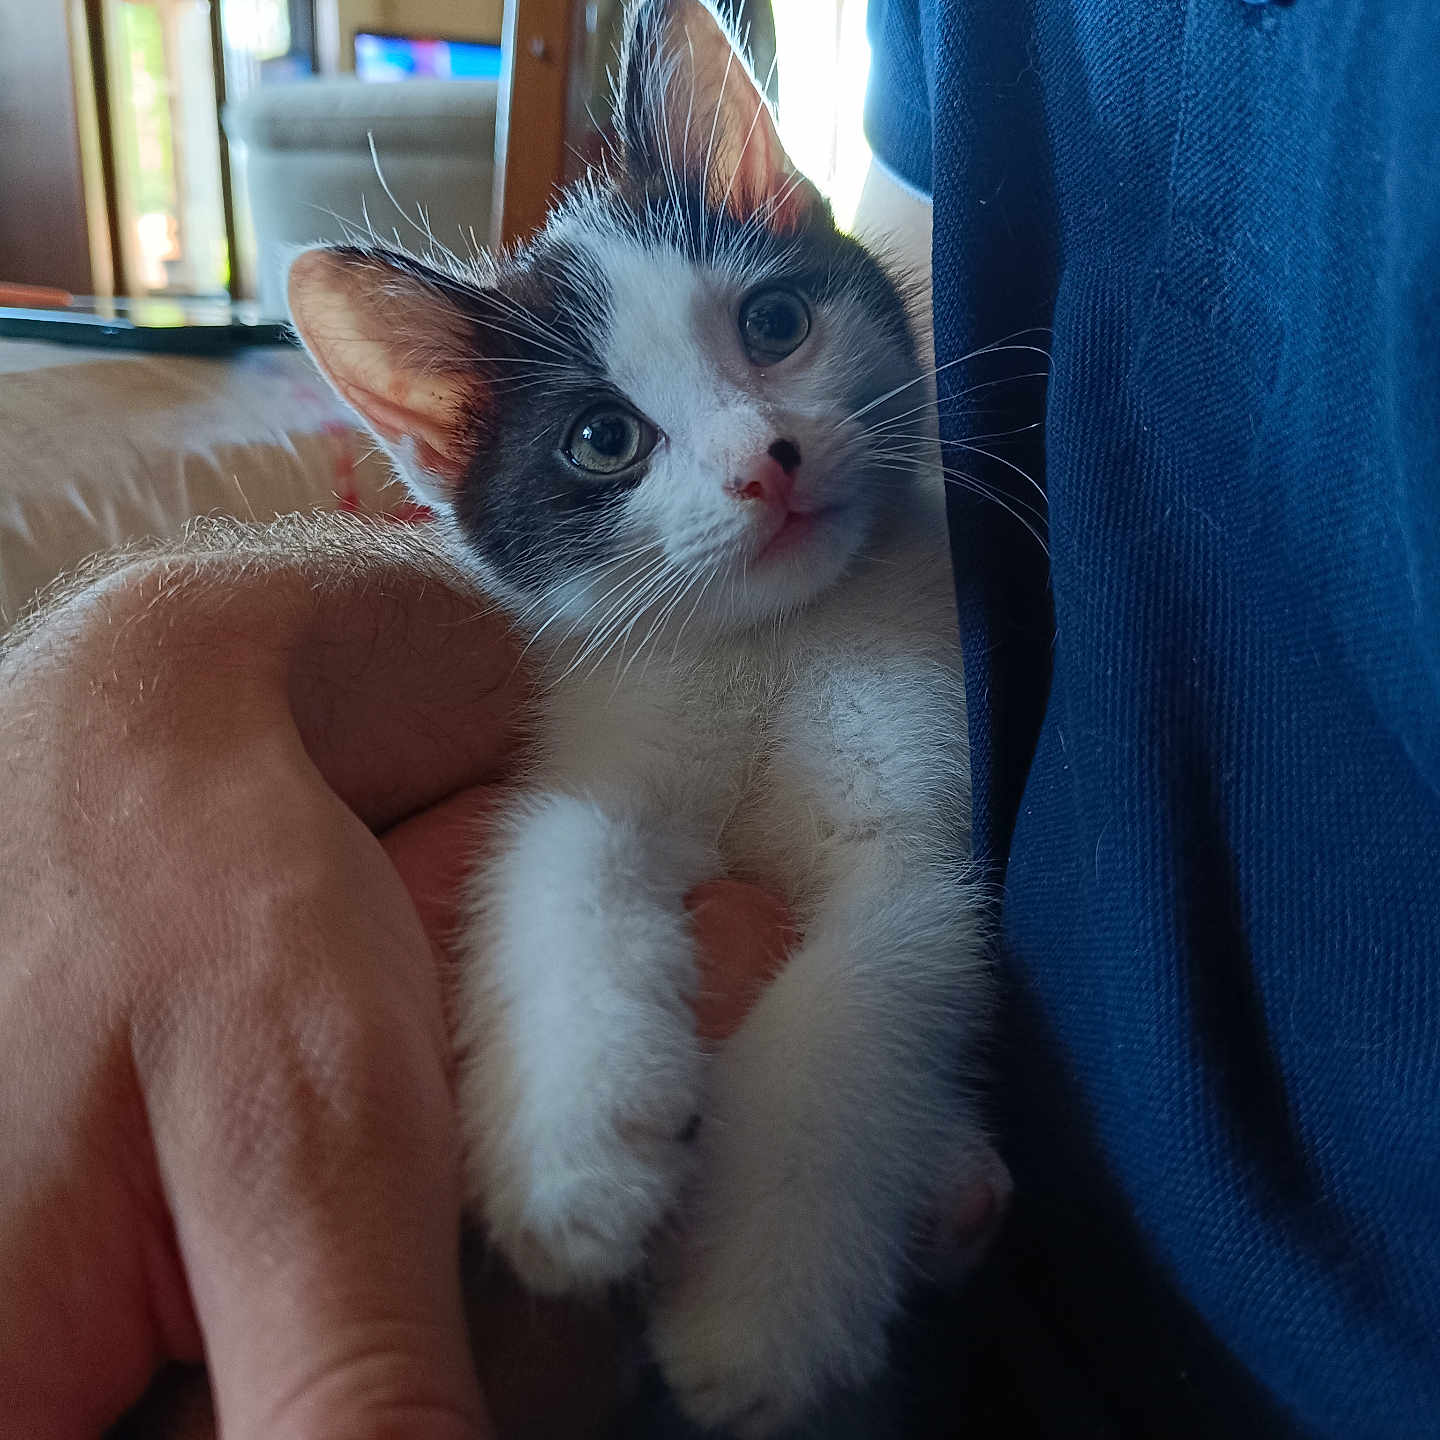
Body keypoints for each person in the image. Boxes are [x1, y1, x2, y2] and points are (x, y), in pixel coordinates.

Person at [2, 1, 1437, 1437]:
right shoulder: (610, 658)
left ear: (779, 199)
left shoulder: (927, 577)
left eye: (771, 323)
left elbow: (897, 907)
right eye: (611, 438)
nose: (754, 454)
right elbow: (595, 829)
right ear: (441, 450)